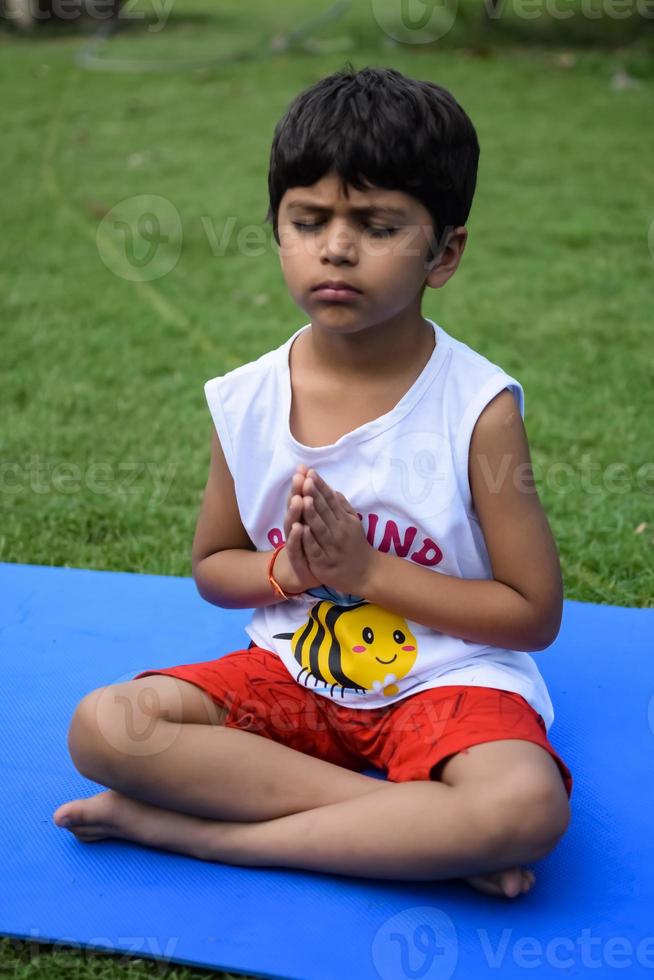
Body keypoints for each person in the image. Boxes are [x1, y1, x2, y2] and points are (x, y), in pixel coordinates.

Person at [53, 64, 573, 899]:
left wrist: (368, 574)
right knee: (106, 726)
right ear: (278, 230)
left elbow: (532, 615)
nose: (335, 246)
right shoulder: (247, 398)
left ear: (445, 254)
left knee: (523, 806)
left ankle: (205, 839)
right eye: (309, 220)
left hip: (443, 686)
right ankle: (414, 831)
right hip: (290, 676)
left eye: (376, 225)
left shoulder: (478, 409)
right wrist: (285, 572)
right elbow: (214, 566)